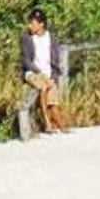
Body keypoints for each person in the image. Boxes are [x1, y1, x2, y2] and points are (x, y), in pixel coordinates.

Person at [18, 7, 67, 135]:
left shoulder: (51, 38)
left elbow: (55, 59)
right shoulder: (26, 37)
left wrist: (54, 76)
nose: (30, 26)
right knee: (43, 88)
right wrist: (38, 72)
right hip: (32, 73)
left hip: (48, 74)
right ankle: (47, 123)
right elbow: (25, 60)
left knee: (54, 101)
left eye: (33, 23)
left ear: (41, 24)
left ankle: (60, 125)